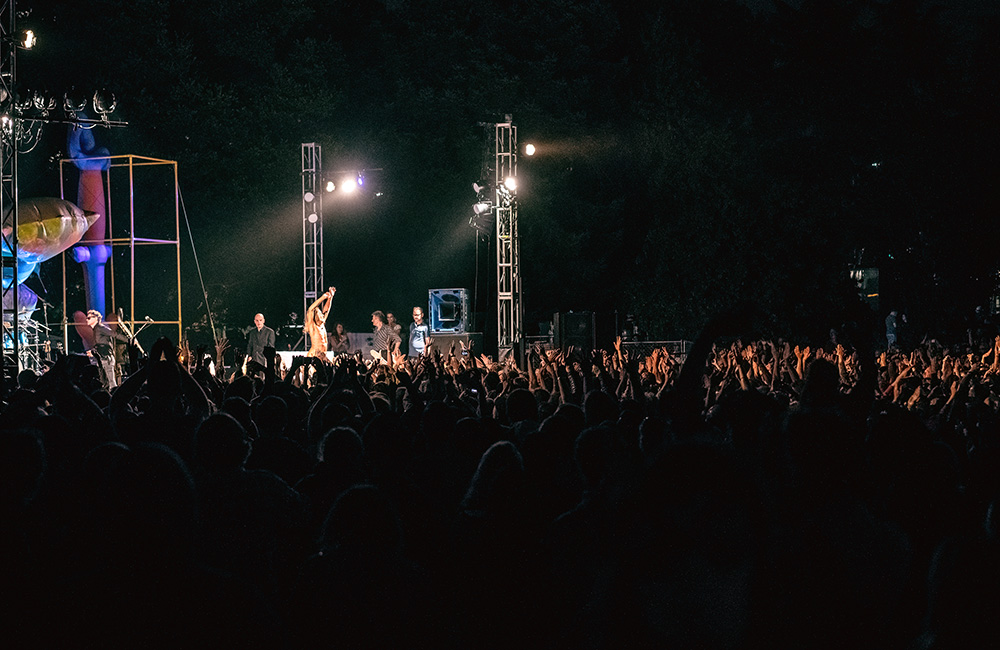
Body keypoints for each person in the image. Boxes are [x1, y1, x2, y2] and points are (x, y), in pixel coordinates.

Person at [85, 309, 128, 391]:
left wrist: (129, 340)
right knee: (106, 382)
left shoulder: (101, 328)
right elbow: (102, 344)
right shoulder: (97, 329)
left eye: (89, 318)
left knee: (111, 381)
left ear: (96, 318)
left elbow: (114, 334)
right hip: (103, 357)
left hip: (106, 357)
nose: (87, 319)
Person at [305, 287, 336, 359]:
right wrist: (323, 297)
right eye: (320, 315)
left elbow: (326, 310)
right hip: (314, 356)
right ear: (316, 317)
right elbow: (310, 309)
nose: (323, 316)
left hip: (323, 355)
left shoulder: (321, 325)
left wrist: (330, 298)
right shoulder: (313, 326)